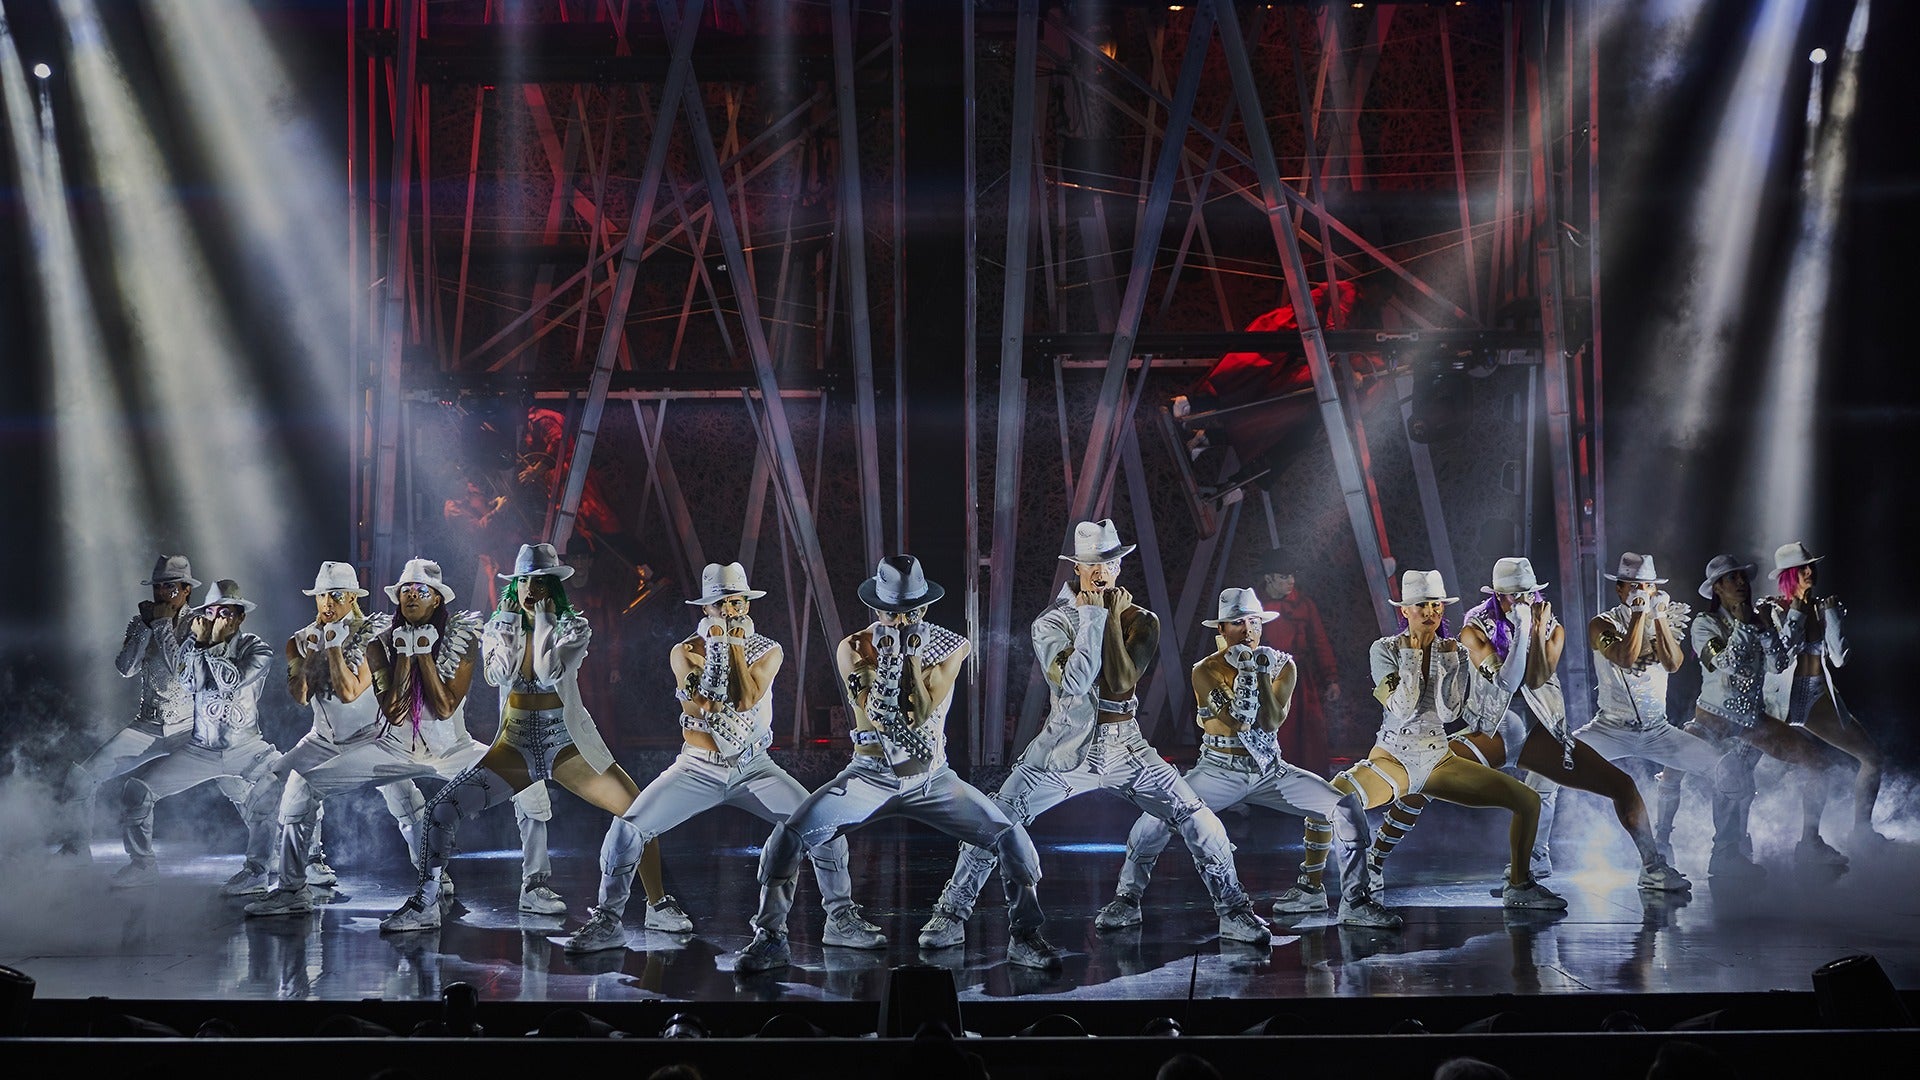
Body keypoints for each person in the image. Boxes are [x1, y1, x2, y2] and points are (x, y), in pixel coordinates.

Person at [919, 520, 1271, 967]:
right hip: (1063, 749)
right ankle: (954, 915)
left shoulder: (1142, 620)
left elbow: (1122, 681)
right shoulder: (1051, 622)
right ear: (1077, 568)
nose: (1102, 571)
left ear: (1120, 566)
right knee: (996, 821)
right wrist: (1094, 617)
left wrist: (1108, 617)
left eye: (1110, 562)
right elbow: (1074, 682)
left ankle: (1234, 911)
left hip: (1128, 749)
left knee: (1199, 819)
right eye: (1092, 564)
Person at [734, 556, 1044, 972]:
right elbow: (876, 710)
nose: (900, 622)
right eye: (891, 613)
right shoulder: (854, 647)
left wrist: (911, 656)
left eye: (910, 612)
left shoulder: (952, 646)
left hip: (931, 779)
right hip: (869, 776)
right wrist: (893, 657)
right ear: (876, 609)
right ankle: (771, 937)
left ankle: (1023, 936)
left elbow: (917, 712)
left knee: (1012, 840)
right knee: (787, 839)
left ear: (924, 608)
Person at [559, 560, 881, 954]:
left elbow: (744, 698)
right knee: (627, 829)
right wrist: (718, 648)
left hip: (754, 768)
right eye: (720, 604)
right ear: (705, 608)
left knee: (824, 827)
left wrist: (733, 647)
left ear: (747, 605)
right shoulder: (685, 652)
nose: (729, 611)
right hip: (697, 767)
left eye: (737, 602)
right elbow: (706, 705)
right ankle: (608, 920)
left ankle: (840, 918)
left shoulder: (770, 650)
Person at [379, 546, 683, 940]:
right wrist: (507, 627)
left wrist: (543, 622)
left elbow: (548, 671)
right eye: (523, 581)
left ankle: (658, 905)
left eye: (540, 582)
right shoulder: (497, 628)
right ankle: (425, 902)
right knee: (441, 810)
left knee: (640, 813)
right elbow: (499, 674)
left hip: (566, 745)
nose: (530, 590)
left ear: (554, 588)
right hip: (516, 746)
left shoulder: (574, 628)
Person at [244, 562, 560, 916]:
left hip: (453, 748)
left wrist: (422, 654)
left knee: (530, 785)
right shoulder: (379, 645)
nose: (411, 596)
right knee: (302, 787)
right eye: (405, 591)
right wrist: (406, 657)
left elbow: (444, 708)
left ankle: (535, 885)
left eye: (420, 591)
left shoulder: (464, 638)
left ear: (437, 599)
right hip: (393, 748)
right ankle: (292, 889)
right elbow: (394, 713)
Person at [1095, 587, 1400, 930]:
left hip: (1270, 770)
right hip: (1220, 770)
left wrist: (1261, 673)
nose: (1248, 630)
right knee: (1155, 818)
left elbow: (1270, 721)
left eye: (1254, 622)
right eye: (1238, 623)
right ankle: (1127, 898)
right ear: (1222, 629)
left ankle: (1356, 901)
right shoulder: (1205, 670)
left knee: (1345, 807)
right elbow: (1237, 721)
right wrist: (1249, 673)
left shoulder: (1283, 665)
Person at [1322, 569, 1562, 909]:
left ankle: (1524, 879)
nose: (1430, 612)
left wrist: (1527, 630)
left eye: (1436, 605)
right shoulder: (1390, 647)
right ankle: (1329, 883)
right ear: (1405, 610)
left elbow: (1450, 713)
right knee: (1346, 798)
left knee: (1532, 800)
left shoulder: (1460, 649)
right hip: (1406, 751)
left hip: (1472, 745)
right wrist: (1412, 656)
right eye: (1421, 605)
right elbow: (1404, 707)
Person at [1524, 553, 1746, 884]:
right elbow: (1625, 657)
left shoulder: (1664, 618)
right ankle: (1536, 857)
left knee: (1726, 770)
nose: (1642, 591)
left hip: (1658, 731)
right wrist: (1640, 614)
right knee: (1543, 772)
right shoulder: (1601, 624)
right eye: (1634, 586)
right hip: (1610, 728)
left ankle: (1725, 853)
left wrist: (1659, 617)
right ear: (1620, 589)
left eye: (1648, 586)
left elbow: (1673, 663)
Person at [1660, 554, 1845, 874]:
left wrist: (1793, 616)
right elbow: (1726, 664)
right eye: (1732, 578)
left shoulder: (1758, 619)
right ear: (1717, 588)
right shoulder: (1704, 624)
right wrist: (1747, 625)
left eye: (1742, 577)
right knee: (1707, 774)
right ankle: (1689, 849)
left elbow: (1778, 663)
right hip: (1713, 721)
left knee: (1817, 763)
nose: (1741, 582)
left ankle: (1809, 843)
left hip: (1753, 721)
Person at [114, 579, 283, 894]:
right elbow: (190, 683)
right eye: (215, 612)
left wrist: (211, 644)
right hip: (201, 750)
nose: (220, 619)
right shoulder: (194, 645)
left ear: (241, 617)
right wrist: (199, 645)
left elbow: (231, 681)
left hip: (246, 747)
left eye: (228, 612)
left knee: (274, 793)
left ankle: (263, 869)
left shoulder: (257, 648)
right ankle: (142, 866)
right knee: (137, 791)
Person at [55, 555, 199, 859]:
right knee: (81, 777)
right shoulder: (141, 622)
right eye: (157, 586)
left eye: (169, 586)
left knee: (236, 780)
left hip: (189, 728)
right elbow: (125, 668)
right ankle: (75, 853)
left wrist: (162, 625)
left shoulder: (199, 624)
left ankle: (273, 853)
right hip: (147, 726)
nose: (161, 593)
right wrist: (146, 628)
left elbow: (181, 672)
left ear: (186, 589)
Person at [1760, 541, 1889, 850]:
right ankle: (1743, 841)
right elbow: (1780, 659)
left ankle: (1860, 832)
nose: (1809, 571)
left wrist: (1832, 616)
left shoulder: (1823, 606)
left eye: (1811, 566)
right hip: (1780, 702)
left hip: (1817, 697)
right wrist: (1797, 612)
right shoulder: (1770, 610)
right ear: (1788, 575)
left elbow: (1840, 659)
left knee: (1872, 758)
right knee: (1754, 773)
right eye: (1801, 568)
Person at [1255, 555, 1342, 775]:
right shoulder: (1254, 606)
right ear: (1269, 578)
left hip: (1300, 680)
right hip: (1265, 679)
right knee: (1273, 731)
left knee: (1309, 736)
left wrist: (1331, 678)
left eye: (1292, 575)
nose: (1291, 581)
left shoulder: (1304, 605)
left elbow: (1320, 642)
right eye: (1284, 577)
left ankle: (1311, 781)